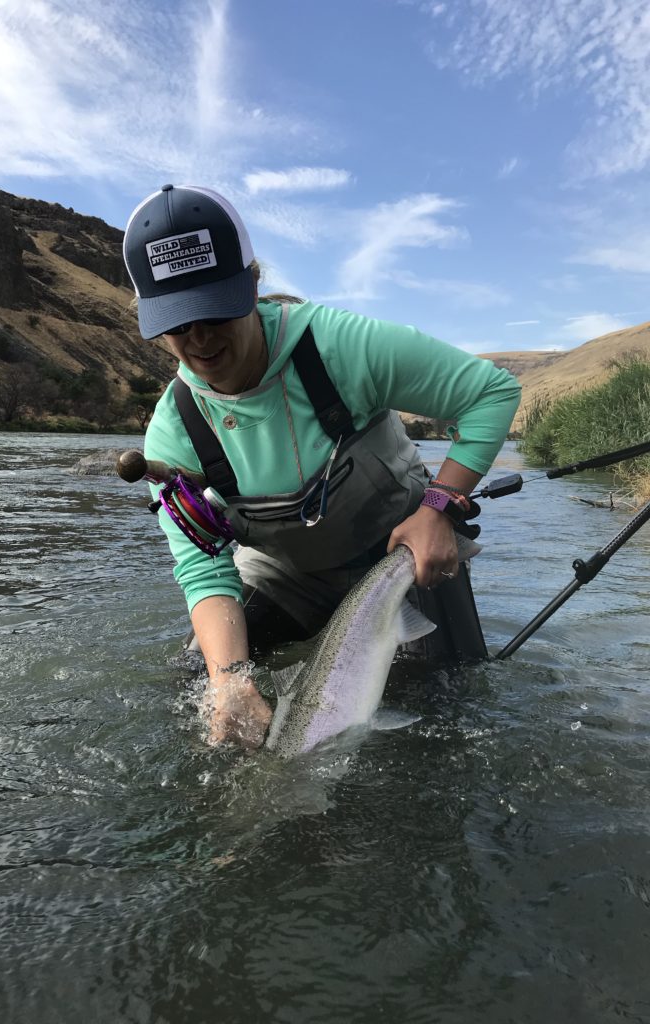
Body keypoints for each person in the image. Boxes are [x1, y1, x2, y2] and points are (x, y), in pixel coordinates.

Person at [123, 184, 521, 749]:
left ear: (253, 285)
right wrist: (231, 681)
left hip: (406, 559)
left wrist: (439, 506)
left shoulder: (340, 346)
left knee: (443, 722)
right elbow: (203, 569)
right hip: (285, 576)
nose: (200, 338)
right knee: (205, 695)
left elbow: (491, 393)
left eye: (215, 309)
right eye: (179, 321)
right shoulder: (173, 433)